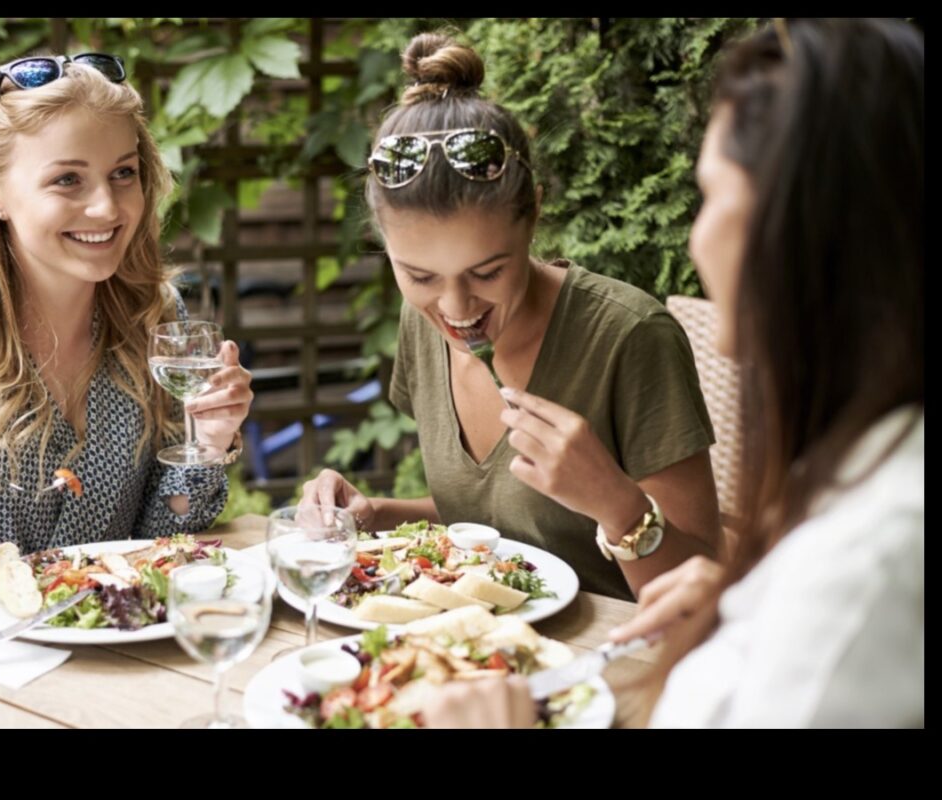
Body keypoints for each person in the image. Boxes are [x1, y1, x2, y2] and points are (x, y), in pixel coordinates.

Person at [427, 18, 924, 728]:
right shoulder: (860, 490)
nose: (696, 234)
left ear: (802, 226)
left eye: (712, 193)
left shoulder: (865, 572)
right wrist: (743, 610)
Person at [302, 32, 722, 600]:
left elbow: (706, 595)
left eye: (487, 271)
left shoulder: (630, 336)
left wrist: (615, 503)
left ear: (534, 215)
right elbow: (495, 523)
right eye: (421, 276)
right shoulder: (419, 325)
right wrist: (374, 514)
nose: (456, 309)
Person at [0, 54, 253, 642]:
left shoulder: (156, 321)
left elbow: (156, 540)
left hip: (98, 649)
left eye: (123, 173)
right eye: (67, 179)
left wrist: (210, 444)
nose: (107, 207)